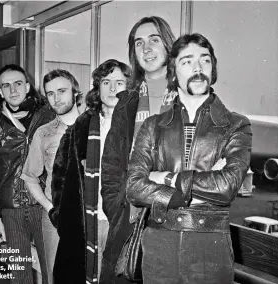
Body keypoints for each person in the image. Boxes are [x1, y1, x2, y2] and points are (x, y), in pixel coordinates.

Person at [126, 33, 252, 284]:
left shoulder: (235, 125)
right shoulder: (153, 126)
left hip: (209, 246)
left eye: (204, 61)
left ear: (213, 68)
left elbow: (226, 187)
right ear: (173, 74)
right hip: (159, 245)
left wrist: (165, 178)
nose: (197, 68)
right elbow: (133, 187)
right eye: (186, 62)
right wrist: (196, 188)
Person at [100, 16, 176, 284]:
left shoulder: (189, 99)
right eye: (138, 42)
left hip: (174, 221)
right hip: (128, 219)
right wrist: (115, 207)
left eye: (154, 40)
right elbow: (110, 164)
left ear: (168, 45)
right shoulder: (127, 103)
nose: (146, 48)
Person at [48, 59, 131, 284]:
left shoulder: (140, 128)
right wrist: (61, 216)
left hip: (123, 223)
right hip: (85, 223)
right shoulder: (80, 129)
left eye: (119, 82)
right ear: (98, 87)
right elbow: (59, 177)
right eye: (106, 82)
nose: (113, 89)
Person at [0, 64, 55, 284]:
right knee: (19, 274)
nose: (12, 90)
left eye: (17, 83)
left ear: (27, 86)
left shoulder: (48, 117)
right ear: (0, 92)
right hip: (12, 209)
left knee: (51, 269)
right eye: (6, 86)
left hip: (43, 204)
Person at [21, 69, 80, 284]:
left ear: (76, 91)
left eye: (62, 91)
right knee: (55, 276)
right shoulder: (44, 133)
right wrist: (49, 208)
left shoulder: (95, 127)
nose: (57, 98)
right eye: (51, 93)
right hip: (56, 218)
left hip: (90, 216)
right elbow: (29, 177)